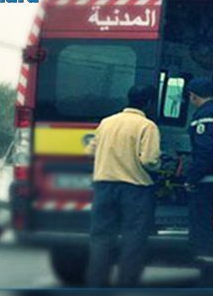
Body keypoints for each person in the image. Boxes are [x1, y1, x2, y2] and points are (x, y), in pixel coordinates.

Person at [86, 85, 161, 287]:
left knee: (101, 237)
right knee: (133, 237)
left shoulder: (106, 122)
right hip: (135, 189)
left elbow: (90, 151)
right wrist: (160, 165)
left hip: (103, 185)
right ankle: (126, 283)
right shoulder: (148, 126)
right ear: (149, 103)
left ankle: (96, 283)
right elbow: (149, 160)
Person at [184, 78, 213, 263]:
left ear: (193, 95)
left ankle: (204, 260)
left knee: (201, 222)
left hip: (207, 180)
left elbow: (205, 151)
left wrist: (191, 177)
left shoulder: (204, 115)